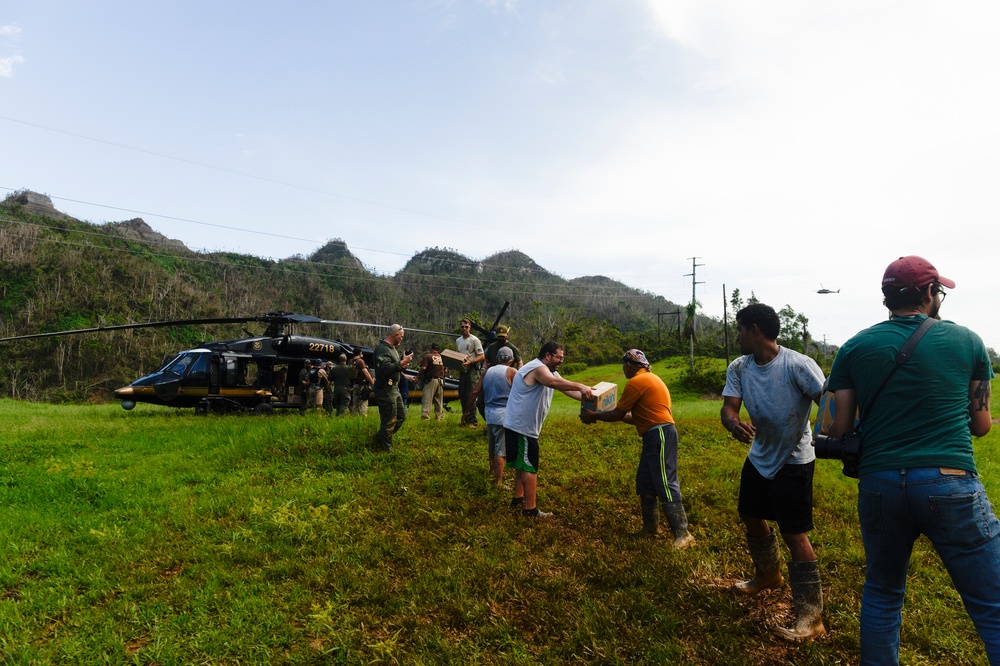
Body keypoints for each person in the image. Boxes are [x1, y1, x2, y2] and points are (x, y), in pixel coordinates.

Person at [827, 256, 998, 665]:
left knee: (884, 593)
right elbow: (981, 426)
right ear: (927, 294)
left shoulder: (854, 346)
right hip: (950, 480)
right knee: (993, 603)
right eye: (938, 290)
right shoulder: (969, 342)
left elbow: (836, 427)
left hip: (880, 484)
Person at [720, 303, 826, 642]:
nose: (737, 336)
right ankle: (768, 575)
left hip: (794, 460)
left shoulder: (797, 365)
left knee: (795, 534)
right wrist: (733, 424)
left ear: (754, 329)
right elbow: (729, 408)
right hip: (760, 454)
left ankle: (812, 617)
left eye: (739, 329)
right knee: (750, 514)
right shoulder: (740, 367)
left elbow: (828, 402)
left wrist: (837, 436)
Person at [581, 349, 694, 549]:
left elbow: (617, 414)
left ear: (629, 365)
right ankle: (650, 529)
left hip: (659, 434)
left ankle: (683, 533)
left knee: (665, 482)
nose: (623, 369)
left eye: (623, 365)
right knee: (646, 481)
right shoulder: (650, 379)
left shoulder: (636, 382)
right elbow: (633, 417)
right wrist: (602, 413)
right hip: (655, 433)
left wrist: (594, 415)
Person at [504, 342, 594, 518]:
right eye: (559, 357)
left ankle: (517, 498)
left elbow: (566, 389)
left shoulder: (549, 370)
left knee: (522, 464)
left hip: (519, 425)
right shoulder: (538, 368)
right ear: (547, 355)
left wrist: (592, 399)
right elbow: (552, 382)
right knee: (529, 466)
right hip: (523, 427)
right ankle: (530, 509)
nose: (561, 361)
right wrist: (580, 385)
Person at [470, 346, 518, 487]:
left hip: (489, 414)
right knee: (501, 450)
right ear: (512, 359)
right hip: (504, 415)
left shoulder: (488, 371)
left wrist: (467, 411)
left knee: (492, 446)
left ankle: (491, 471)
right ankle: (498, 482)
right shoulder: (512, 372)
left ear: (497, 359)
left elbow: (475, 392)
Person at [372, 324, 413, 452]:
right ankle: (385, 447)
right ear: (395, 335)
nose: (401, 339)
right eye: (401, 337)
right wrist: (401, 363)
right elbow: (384, 369)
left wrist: (402, 366)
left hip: (394, 389)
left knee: (401, 416)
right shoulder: (382, 349)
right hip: (385, 389)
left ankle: (381, 437)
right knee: (389, 419)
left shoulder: (393, 349)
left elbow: (393, 366)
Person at [456, 318, 485, 426]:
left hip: (472, 369)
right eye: (462, 327)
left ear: (470, 327)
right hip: (462, 369)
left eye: (466, 327)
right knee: (462, 393)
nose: (464, 329)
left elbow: (482, 356)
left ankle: (473, 421)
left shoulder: (474, 340)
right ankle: (465, 419)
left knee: (471, 394)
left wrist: (471, 362)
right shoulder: (458, 340)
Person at [419, 343, 446, 421]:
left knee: (427, 399)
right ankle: (439, 418)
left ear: (431, 348)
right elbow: (446, 369)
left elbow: (423, 368)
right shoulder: (442, 357)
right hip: (440, 380)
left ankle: (425, 418)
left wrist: (419, 376)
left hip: (431, 380)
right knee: (439, 401)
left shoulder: (428, 356)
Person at [350, 347, 375, 416]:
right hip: (362, 385)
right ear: (360, 353)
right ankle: (363, 419)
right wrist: (372, 383)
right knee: (363, 402)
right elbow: (366, 373)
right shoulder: (360, 361)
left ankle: (355, 419)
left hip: (355, 384)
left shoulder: (351, 362)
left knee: (356, 404)